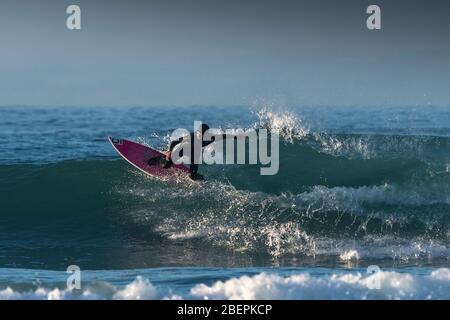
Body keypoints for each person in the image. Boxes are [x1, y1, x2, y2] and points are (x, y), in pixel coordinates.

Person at [148, 123, 232, 180]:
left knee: (195, 160)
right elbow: (175, 142)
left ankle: (193, 174)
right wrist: (170, 151)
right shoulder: (191, 136)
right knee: (166, 165)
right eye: (199, 133)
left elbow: (222, 136)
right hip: (182, 150)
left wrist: (235, 136)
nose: (200, 135)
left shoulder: (209, 138)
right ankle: (158, 159)